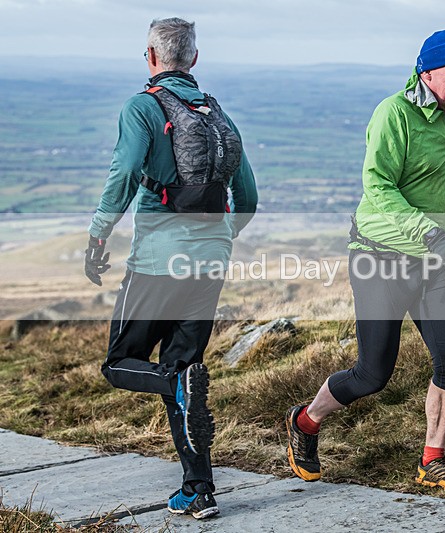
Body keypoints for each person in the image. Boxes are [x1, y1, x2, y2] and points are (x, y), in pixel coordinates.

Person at [285, 30, 445, 491]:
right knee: (373, 374)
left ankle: (432, 460)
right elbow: (379, 189)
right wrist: (432, 233)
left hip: (432, 262)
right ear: (427, 72)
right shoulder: (394, 114)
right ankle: (306, 422)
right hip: (382, 257)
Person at [85, 18, 257, 519]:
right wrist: (216, 242)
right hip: (209, 266)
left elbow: (122, 174)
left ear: (150, 58)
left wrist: (99, 233)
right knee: (179, 370)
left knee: (120, 363)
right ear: (194, 60)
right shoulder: (217, 115)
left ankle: (177, 389)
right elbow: (246, 198)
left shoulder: (142, 107)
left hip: (157, 263)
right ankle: (198, 491)